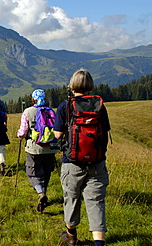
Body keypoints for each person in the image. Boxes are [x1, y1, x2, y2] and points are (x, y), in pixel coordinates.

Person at [53, 69, 110, 246]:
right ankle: (99, 243)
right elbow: (105, 131)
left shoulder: (66, 106)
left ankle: (71, 236)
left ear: (72, 85)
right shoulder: (100, 105)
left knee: (71, 197)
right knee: (96, 201)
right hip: (96, 161)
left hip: (72, 161)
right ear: (90, 85)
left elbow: (57, 134)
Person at [17, 89, 58, 212]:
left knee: (33, 172)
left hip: (34, 148)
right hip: (50, 148)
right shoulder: (51, 112)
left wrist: (19, 135)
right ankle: (44, 191)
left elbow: (23, 132)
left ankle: (40, 193)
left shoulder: (28, 112)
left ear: (33, 99)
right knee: (46, 171)